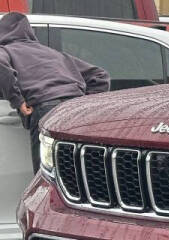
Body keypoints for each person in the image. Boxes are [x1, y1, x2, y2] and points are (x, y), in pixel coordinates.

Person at [0, 12, 109, 172]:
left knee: (47, 177)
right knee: (74, 174)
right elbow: (100, 75)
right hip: (75, 110)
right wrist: (84, 103)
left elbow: (2, 68)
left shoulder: (6, 50)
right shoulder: (52, 53)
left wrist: (18, 101)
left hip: (46, 109)